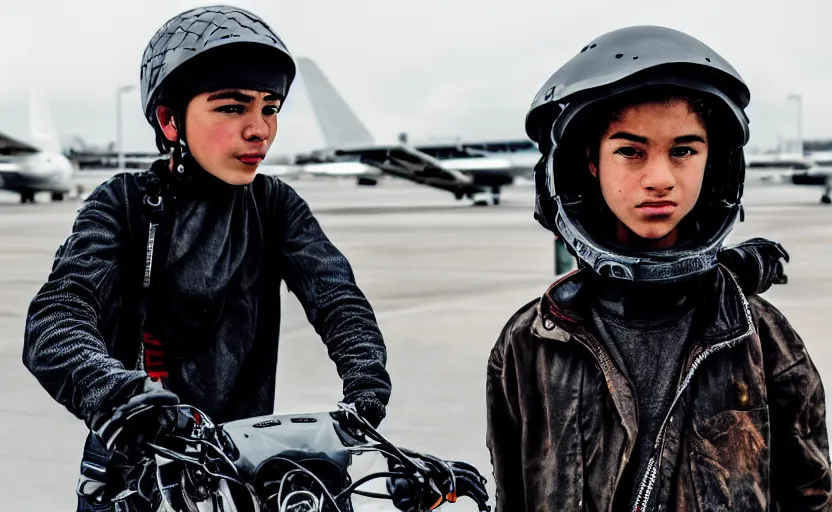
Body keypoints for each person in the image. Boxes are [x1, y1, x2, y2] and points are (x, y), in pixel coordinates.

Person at [21, 5, 391, 510]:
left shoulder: (275, 205)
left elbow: (337, 297)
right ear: (170, 121)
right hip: (136, 472)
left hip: (247, 467)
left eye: (271, 107)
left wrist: (366, 383)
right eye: (233, 107)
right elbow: (56, 318)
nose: (259, 129)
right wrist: (116, 395)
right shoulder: (123, 204)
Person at [485, 25, 831, 511]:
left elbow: (812, 497)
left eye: (684, 150)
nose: (660, 179)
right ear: (589, 161)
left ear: (713, 161)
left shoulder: (763, 339)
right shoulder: (529, 347)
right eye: (630, 151)